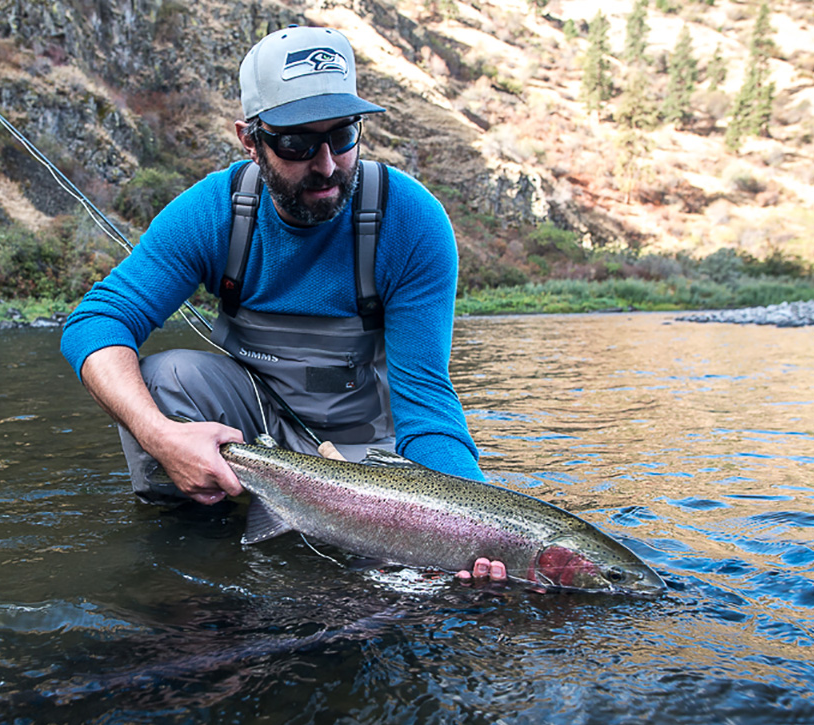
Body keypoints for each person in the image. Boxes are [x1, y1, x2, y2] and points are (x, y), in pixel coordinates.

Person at [61, 25, 506, 582]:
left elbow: (427, 402)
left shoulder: (410, 221)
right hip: (257, 435)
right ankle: (198, 538)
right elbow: (95, 322)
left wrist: (480, 526)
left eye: (342, 136)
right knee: (165, 376)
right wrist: (158, 435)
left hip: (371, 452)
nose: (325, 165)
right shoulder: (212, 213)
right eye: (296, 143)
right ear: (250, 140)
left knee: (402, 589)